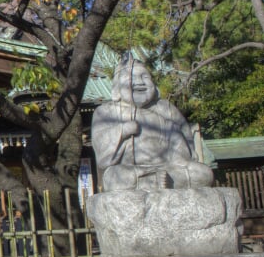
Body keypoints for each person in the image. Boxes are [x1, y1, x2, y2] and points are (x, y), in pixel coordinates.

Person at [91, 55, 214, 192]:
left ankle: (161, 180)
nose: (139, 82)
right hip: (131, 170)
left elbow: (187, 142)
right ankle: (147, 180)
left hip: (170, 168)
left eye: (145, 77)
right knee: (113, 177)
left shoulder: (166, 108)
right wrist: (123, 130)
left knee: (204, 173)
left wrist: (175, 137)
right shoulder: (106, 112)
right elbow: (102, 153)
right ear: (117, 88)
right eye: (131, 78)